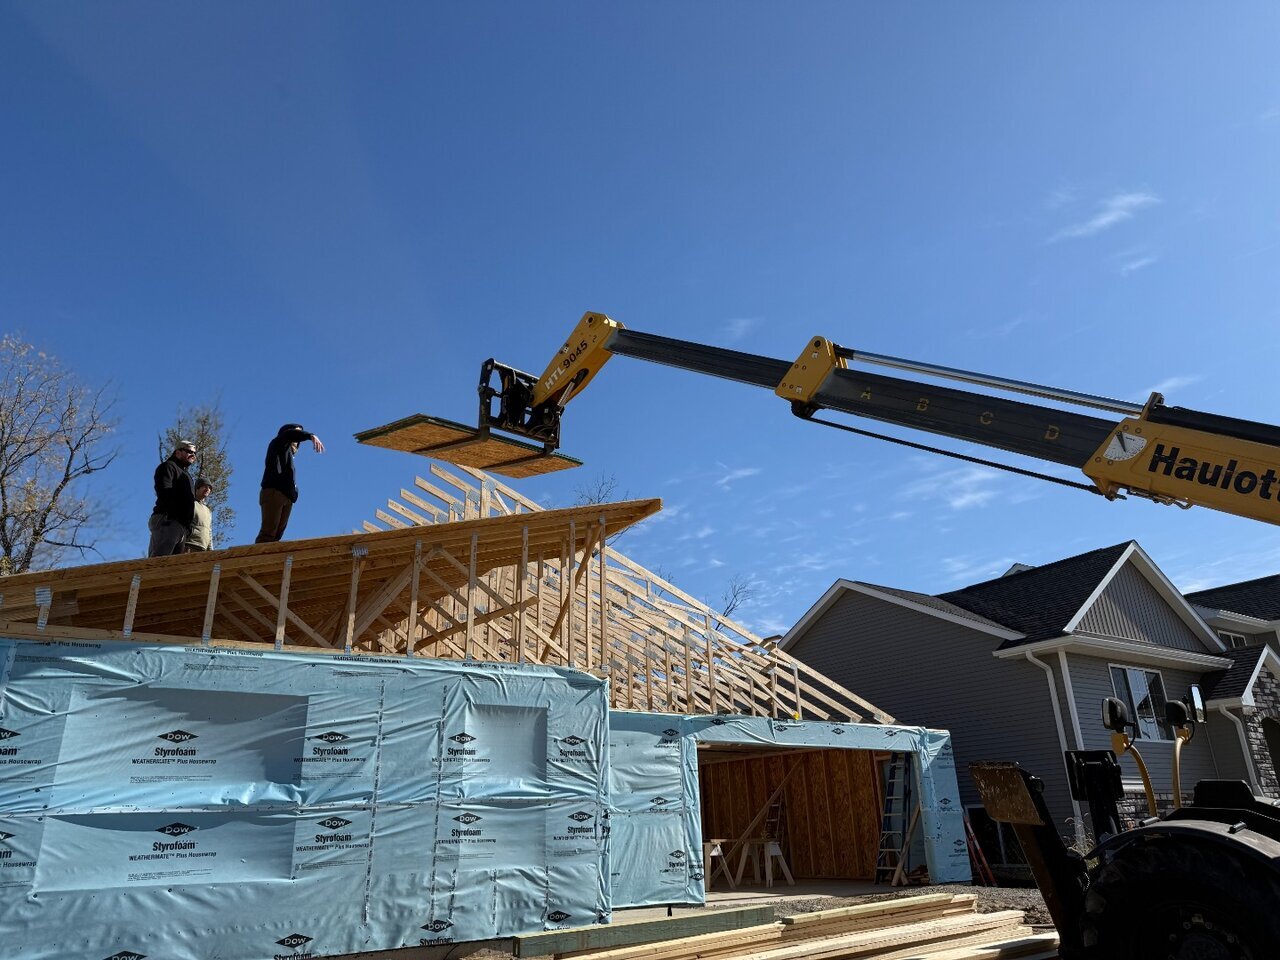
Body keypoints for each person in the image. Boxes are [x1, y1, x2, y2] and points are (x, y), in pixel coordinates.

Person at [256, 424, 325, 543]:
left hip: (286, 496)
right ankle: (257, 555)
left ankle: (271, 555)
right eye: (296, 434)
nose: (297, 441)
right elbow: (288, 435)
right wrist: (311, 436)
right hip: (274, 492)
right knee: (268, 534)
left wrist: (294, 494)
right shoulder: (279, 443)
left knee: (277, 536)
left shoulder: (289, 457)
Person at [148, 440, 197, 557]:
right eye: (189, 451)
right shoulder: (168, 467)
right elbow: (164, 492)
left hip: (181, 526)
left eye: (194, 453)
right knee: (159, 561)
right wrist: (171, 516)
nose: (193, 455)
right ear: (178, 452)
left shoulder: (187, 476)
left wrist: (188, 526)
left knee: (173, 565)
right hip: (168, 521)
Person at [184, 478, 214, 552]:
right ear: (197, 488)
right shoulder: (190, 504)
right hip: (189, 545)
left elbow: (209, 532)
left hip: (203, 549)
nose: (207, 489)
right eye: (205, 486)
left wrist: (210, 550)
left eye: (209, 488)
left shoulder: (208, 511)